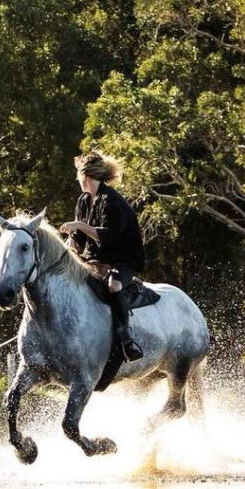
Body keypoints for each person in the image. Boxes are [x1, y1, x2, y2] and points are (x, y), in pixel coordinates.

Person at [59, 151, 146, 362]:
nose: (76, 180)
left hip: (122, 260)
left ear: (85, 176)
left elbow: (107, 236)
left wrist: (78, 225)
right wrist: (70, 243)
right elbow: (79, 239)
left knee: (113, 286)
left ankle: (126, 341)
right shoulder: (83, 200)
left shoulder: (111, 201)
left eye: (78, 175)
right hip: (94, 261)